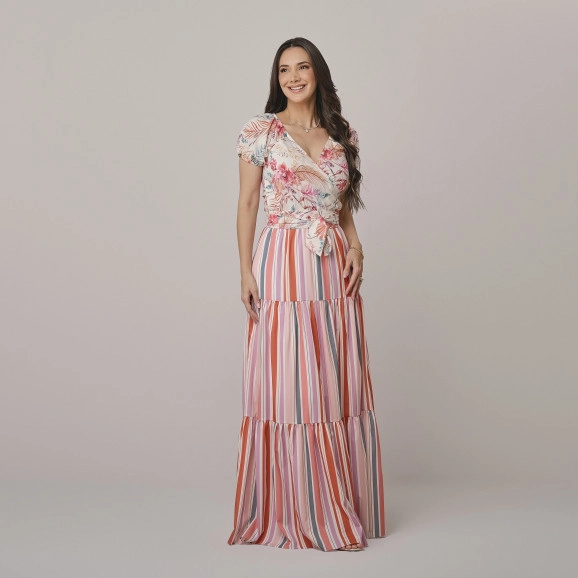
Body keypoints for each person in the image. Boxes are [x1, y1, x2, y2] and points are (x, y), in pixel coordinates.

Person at [227, 37, 386, 552]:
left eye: (302, 67)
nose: (293, 77)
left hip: (332, 265)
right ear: (277, 79)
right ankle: (297, 507)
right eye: (284, 69)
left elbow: (341, 203)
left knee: (332, 379)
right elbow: (247, 203)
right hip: (283, 260)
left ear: (318, 73)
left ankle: (337, 502)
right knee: (291, 381)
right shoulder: (261, 131)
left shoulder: (341, 132)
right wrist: (245, 271)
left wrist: (356, 245)